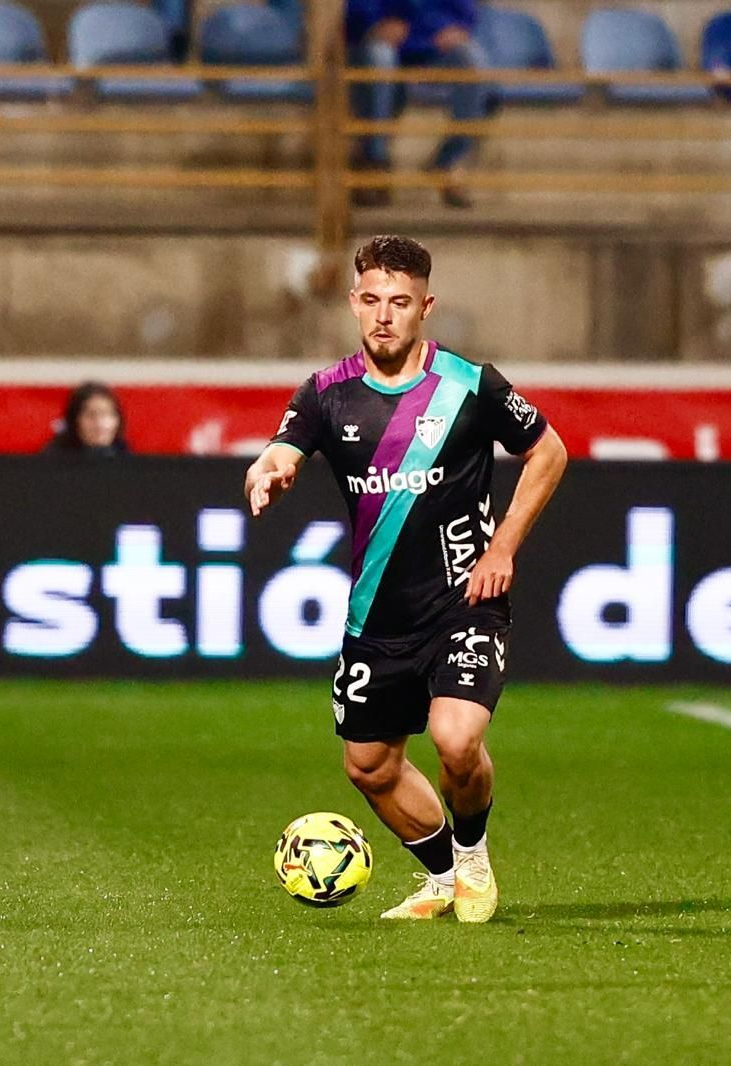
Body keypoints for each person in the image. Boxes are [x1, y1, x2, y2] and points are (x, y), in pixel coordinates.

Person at [246, 235, 566, 922]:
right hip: (376, 618)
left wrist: (503, 546)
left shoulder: (470, 386)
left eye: (399, 302)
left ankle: (474, 855)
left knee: (456, 739)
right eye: (370, 301)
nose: (383, 316)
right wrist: (269, 470)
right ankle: (443, 877)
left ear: (426, 306)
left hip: (465, 603)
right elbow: (279, 447)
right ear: (353, 303)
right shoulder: (327, 395)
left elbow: (548, 450)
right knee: (368, 765)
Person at [345, 0, 495, 209]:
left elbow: (464, 11)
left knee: (472, 59)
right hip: (379, 43)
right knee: (380, 56)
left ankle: (448, 162)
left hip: (433, 44)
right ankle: (375, 161)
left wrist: (454, 28)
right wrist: (374, 25)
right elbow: (354, 10)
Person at [43, 382, 129, 456]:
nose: (99, 424)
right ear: (75, 420)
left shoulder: (124, 454)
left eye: (106, 414)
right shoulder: (54, 457)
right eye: (91, 415)